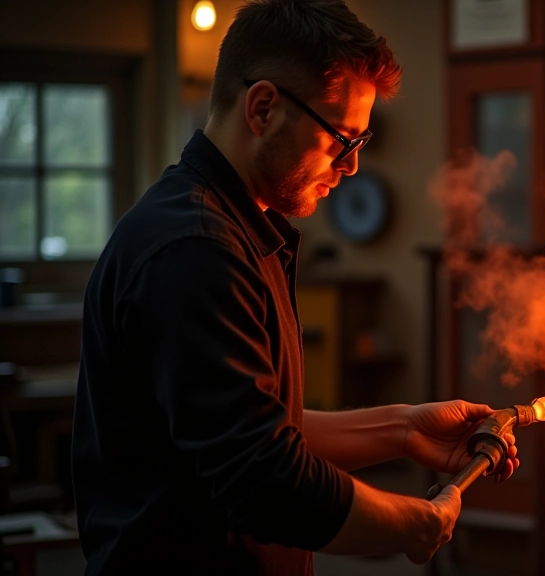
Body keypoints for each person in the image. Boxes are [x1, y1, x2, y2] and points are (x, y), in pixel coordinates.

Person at [71, 1, 518, 574]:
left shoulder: (233, 230)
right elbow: (261, 476)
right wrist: (413, 521)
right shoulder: (196, 249)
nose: (351, 167)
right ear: (263, 108)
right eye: (340, 140)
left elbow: (259, 428)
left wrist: (404, 428)